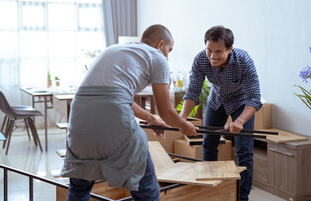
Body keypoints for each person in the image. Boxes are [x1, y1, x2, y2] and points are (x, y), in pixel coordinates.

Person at [61, 24, 198, 201]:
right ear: (160, 44)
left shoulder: (114, 49)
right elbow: (166, 112)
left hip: (79, 116)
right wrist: (183, 125)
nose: (168, 57)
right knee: (147, 191)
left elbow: (117, 96)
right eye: (169, 50)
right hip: (112, 118)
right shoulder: (158, 57)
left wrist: (150, 118)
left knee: (79, 188)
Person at [180, 25, 262, 201]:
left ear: (230, 49)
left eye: (218, 51)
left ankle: (242, 197)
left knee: (244, 151)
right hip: (217, 100)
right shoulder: (201, 59)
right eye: (209, 50)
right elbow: (193, 91)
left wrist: (239, 121)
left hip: (241, 103)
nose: (212, 56)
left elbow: (255, 99)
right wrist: (182, 119)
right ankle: (211, 192)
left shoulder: (244, 61)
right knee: (208, 144)